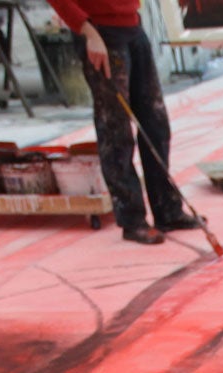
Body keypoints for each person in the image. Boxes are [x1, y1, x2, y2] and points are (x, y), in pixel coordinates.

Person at [46, 0, 196, 244]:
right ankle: (132, 219)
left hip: (132, 26)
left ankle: (167, 209)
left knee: (155, 122)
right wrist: (87, 31)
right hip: (100, 33)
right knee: (116, 130)